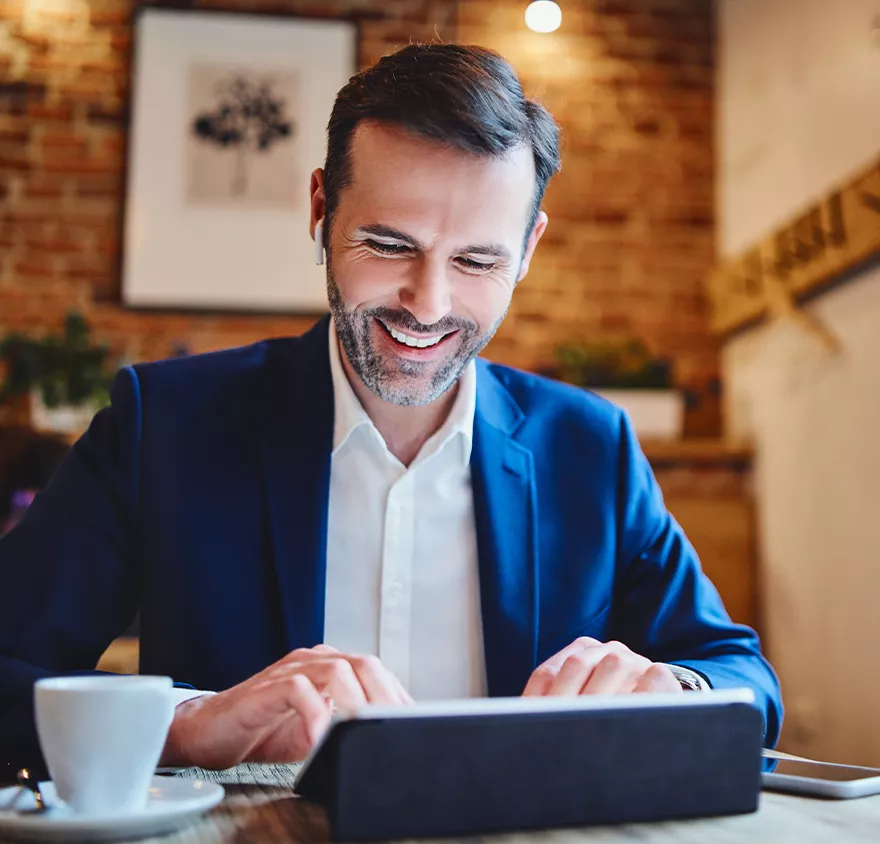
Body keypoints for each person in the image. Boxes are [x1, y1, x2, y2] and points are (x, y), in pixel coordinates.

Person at [0, 44, 782, 773]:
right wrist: (189, 725)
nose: (427, 304)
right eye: (387, 244)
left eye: (478, 260)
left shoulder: (591, 445)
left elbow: (743, 677)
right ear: (320, 209)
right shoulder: (164, 424)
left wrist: (671, 688)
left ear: (530, 250)